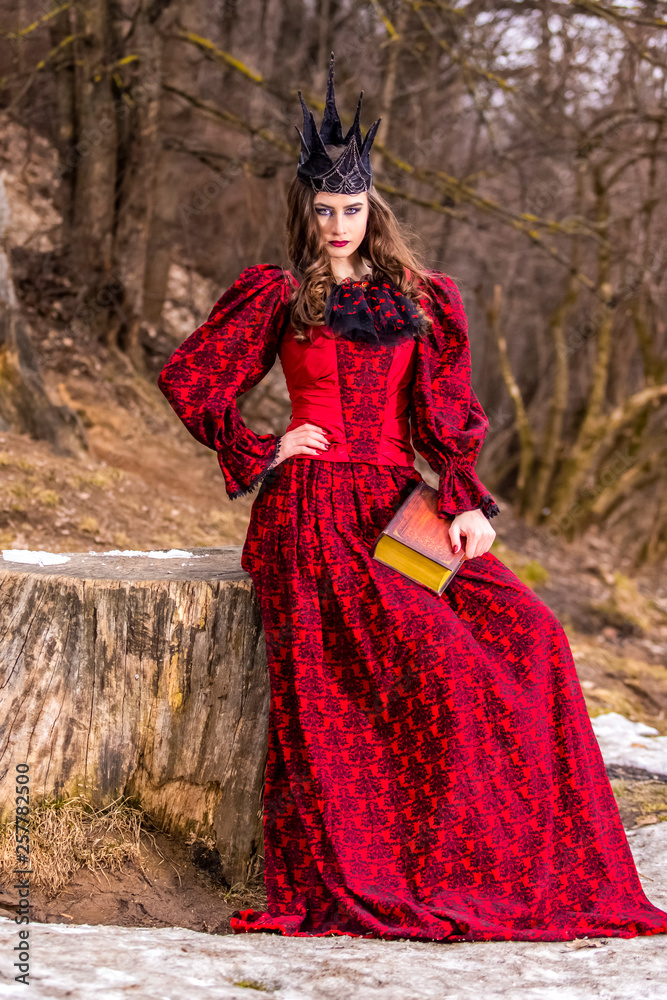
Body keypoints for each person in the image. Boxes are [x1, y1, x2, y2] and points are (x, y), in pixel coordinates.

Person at [157, 52, 667, 942]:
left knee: (533, 636)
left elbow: (445, 412)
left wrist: (465, 500)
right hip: (313, 511)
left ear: (372, 207)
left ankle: (516, 864)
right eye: (322, 210)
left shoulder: (422, 299)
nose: (337, 224)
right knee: (434, 670)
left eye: (349, 208)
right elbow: (191, 377)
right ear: (304, 213)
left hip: (401, 506)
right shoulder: (278, 292)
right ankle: (400, 863)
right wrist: (263, 446)